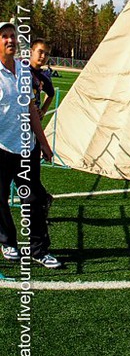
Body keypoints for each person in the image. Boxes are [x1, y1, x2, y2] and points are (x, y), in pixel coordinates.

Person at [0, 22, 61, 269]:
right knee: (0, 199)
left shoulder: (25, 72)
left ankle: (39, 250)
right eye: (4, 36)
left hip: (27, 147)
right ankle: (8, 242)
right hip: (2, 149)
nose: (10, 40)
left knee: (34, 200)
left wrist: (44, 144)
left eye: (13, 36)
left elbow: (32, 110)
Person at [29, 39, 55, 217]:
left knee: (32, 172)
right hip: (16, 127)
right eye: (40, 52)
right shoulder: (21, 70)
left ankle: (41, 202)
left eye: (46, 53)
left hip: (32, 130)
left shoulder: (44, 77)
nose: (43, 56)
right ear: (31, 51)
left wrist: (43, 112)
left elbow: (51, 94)